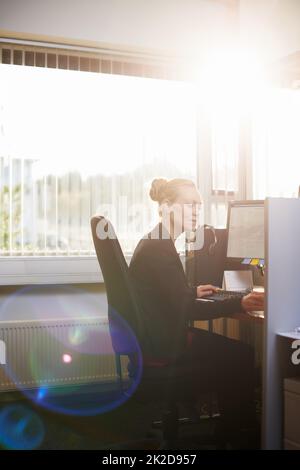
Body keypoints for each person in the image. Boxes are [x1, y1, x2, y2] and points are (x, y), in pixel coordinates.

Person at [129, 177, 264, 448]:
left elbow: (170, 296)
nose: (195, 211)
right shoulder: (160, 248)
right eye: (189, 204)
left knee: (233, 352)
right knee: (241, 354)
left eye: (198, 206)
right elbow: (185, 310)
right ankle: (236, 435)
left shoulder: (157, 241)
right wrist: (239, 303)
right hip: (166, 343)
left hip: (156, 337)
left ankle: (231, 429)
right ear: (167, 206)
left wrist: (191, 290)